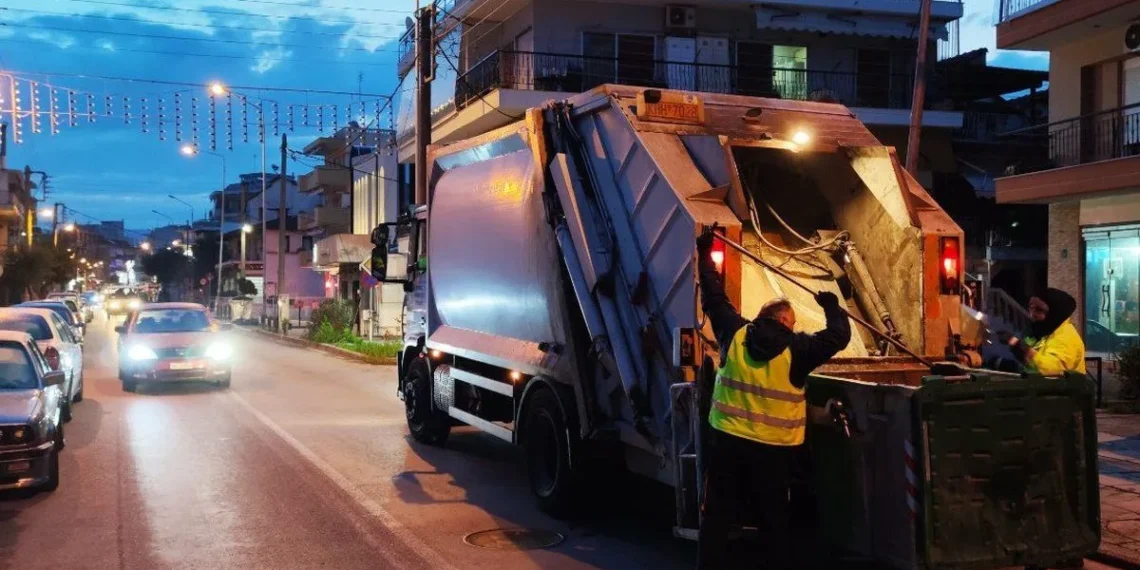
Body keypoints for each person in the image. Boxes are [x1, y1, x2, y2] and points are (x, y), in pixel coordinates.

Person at [696, 229, 851, 570]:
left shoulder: (734, 335)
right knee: (775, 524)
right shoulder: (799, 349)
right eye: (792, 322)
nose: (793, 327)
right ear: (782, 320)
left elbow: (712, 295)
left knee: (717, 519)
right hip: (774, 453)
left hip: (727, 444)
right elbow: (840, 336)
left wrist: (706, 253)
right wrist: (831, 307)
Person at [998, 288, 1086, 376]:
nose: (1032, 314)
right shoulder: (1042, 333)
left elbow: (1052, 370)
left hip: (1062, 389)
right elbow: (1029, 363)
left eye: (1039, 310)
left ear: (1055, 313)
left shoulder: (1066, 337)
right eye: (1031, 308)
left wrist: (1020, 347)